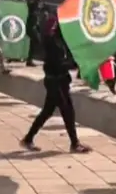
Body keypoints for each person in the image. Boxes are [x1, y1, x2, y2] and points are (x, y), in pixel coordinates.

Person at [20, 15, 91, 153]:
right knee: (67, 111)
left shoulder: (62, 41)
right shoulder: (52, 42)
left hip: (61, 81)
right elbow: (57, 64)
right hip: (55, 81)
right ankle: (74, 143)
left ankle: (28, 139)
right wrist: (73, 64)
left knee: (47, 111)